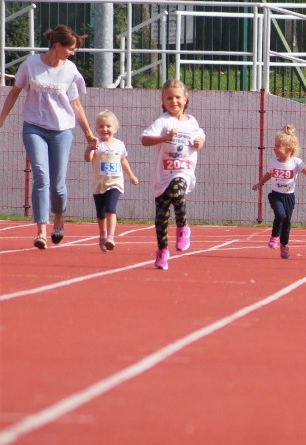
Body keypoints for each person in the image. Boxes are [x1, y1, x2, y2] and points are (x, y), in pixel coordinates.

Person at [0, 25, 97, 249]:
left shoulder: (71, 70)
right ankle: (41, 230)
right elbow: (14, 93)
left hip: (62, 130)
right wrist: (2, 118)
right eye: (71, 48)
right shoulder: (31, 64)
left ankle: (59, 218)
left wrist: (88, 133)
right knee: (41, 177)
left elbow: (76, 105)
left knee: (58, 185)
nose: (73, 52)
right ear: (57, 46)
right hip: (34, 127)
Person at [141, 79, 206, 270]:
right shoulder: (163, 121)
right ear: (163, 100)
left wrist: (199, 142)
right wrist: (165, 138)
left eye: (178, 97)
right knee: (161, 217)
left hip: (183, 170)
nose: (174, 101)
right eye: (169, 98)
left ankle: (183, 228)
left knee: (178, 192)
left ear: (185, 99)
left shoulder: (192, 121)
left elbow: (200, 136)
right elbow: (145, 140)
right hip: (163, 174)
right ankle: (162, 252)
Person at [252, 125, 306, 259]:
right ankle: (274, 237)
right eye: (275, 145)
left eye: (279, 146)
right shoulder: (273, 162)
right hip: (275, 195)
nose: (275, 148)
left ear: (289, 149)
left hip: (289, 197)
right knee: (280, 215)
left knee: (287, 223)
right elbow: (269, 174)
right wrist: (260, 183)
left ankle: (284, 245)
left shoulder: (296, 163)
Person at [83, 109, 139, 251]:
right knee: (100, 213)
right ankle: (102, 234)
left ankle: (111, 236)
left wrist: (131, 175)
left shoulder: (119, 145)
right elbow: (87, 159)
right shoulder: (96, 144)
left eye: (108, 126)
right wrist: (89, 148)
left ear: (115, 128)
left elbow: (123, 161)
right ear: (96, 129)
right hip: (99, 184)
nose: (105, 129)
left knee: (110, 208)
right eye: (101, 126)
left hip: (115, 183)